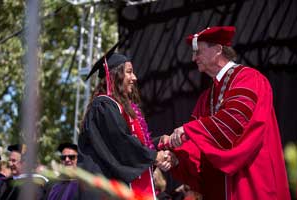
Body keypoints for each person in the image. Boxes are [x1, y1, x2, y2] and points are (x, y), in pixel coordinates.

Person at [159, 26, 291, 200]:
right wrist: (177, 156)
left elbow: (234, 123)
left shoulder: (249, 79)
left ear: (218, 50)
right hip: (219, 188)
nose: (193, 58)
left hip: (249, 181)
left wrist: (188, 130)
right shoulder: (207, 96)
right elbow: (198, 143)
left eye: (198, 52)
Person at [78, 43, 169, 199]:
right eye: (129, 72)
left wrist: (160, 142)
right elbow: (120, 142)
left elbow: (133, 143)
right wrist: (153, 156)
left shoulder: (119, 108)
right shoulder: (103, 106)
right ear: (113, 76)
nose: (134, 78)